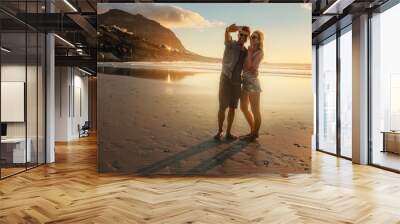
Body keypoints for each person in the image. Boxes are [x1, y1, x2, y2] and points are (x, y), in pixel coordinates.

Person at [214, 24, 250, 140]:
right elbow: (227, 36)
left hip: (236, 82)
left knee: (233, 107)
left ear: (247, 37)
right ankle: (220, 131)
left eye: (245, 35)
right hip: (225, 78)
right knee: (222, 107)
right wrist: (227, 30)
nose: (242, 37)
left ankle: (228, 133)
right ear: (238, 34)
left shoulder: (245, 51)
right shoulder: (231, 44)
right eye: (241, 34)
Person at [240, 30, 264, 142]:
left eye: (255, 37)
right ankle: (252, 131)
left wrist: (249, 53)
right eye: (252, 37)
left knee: (255, 111)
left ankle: (254, 134)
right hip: (245, 81)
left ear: (259, 40)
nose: (252, 38)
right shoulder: (248, 50)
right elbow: (244, 66)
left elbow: (251, 67)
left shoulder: (259, 52)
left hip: (253, 83)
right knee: (243, 107)